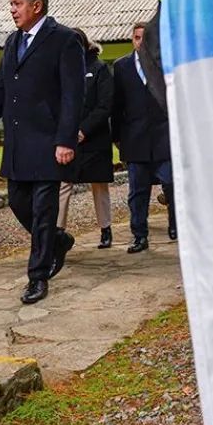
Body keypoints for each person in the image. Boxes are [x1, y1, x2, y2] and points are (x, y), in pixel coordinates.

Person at [0, 0, 84, 304]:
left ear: (36, 6)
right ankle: (58, 241)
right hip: (19, 144)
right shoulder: (12, 41)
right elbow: (0, 91)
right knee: (19, 204)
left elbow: (73, 96)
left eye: (17, 3)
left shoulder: (64, 40)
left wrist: (65, 140)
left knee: (43, 211)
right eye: (11, 4)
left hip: (49, 142)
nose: (12, 9)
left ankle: (38, 276)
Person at [111, 21, 176, 253]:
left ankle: (174, 224)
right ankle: (139, 235)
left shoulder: (163, 65)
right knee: (137, 193)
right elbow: (116, 106)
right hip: (135, 139)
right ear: (132, 39)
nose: (140, 42)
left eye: (144, 38)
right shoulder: (121, 67)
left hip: (162, 138)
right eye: (137, 37)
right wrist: (117, 137)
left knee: (171, 184)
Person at [57, 28, 115, 249]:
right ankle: (57, 232)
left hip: (94, 139)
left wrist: (83, 130)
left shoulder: (99, 69)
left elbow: (105, 105)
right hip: (67, 139)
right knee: (63, 184)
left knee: (99, 185)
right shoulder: (60, 69)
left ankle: (105, 228)